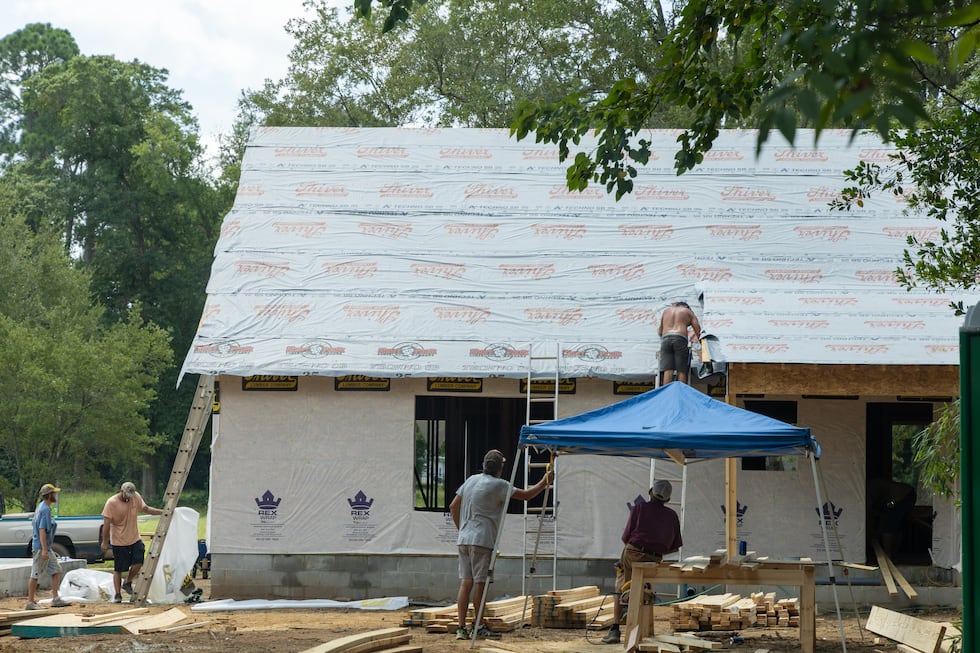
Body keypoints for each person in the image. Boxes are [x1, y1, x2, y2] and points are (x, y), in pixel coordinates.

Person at [449, 449, 554, 641]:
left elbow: (453, 506)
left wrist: (461, 529)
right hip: (482, 540)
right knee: (481, 584)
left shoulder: (471, 480)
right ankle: (478, 626)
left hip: (464, 539)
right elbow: (527, 495)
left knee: (466, 582)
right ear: (500, 468)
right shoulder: (499, 485)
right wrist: (545, 481)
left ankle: (461, 628)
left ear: (484, 465)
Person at [602, 480, 682, 644]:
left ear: (650, 491)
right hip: (654, 559)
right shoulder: (672, 515)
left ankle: (615, 629)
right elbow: (675, 546)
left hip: (632, 552)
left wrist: (633, 555)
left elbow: (626, 537)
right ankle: (635, 604)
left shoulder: (639, 508)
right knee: (644, 586)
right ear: (667, 499)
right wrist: (655, 550)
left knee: (620, 586)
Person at [101, 481, 164, 602]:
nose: (129, 499)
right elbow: (106, 525)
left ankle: (128, 582)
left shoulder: (136, 497)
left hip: (134, 538)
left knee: (139, 562)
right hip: (118, 540)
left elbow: (146, 509)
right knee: (119, 569)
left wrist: (163, 512)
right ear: (121, 492)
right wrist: (105, 542)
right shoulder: (111, 503)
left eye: (131, 496)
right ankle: (117, 594)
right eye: (127, 496)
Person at [26, 483, 71, 609]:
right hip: (41, 548)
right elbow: (41, 530)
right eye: (54, 493)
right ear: (49, 495)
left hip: (46, 547)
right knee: (35, 574)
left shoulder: (43, 507)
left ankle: (55, 598)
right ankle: (30, 602)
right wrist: (44, 550)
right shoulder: (44, 509)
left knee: (56, 570)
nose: (55, 495)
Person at [657, 301, 702, 385]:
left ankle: (667, 393)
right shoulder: (687, 312)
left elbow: (660, 331)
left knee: (668, 369)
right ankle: (681, 393)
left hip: (666, 338)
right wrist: (702, 344)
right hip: (680, 338)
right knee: (681, 369)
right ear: (686, 307)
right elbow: (697, 329)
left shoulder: (666, 311)